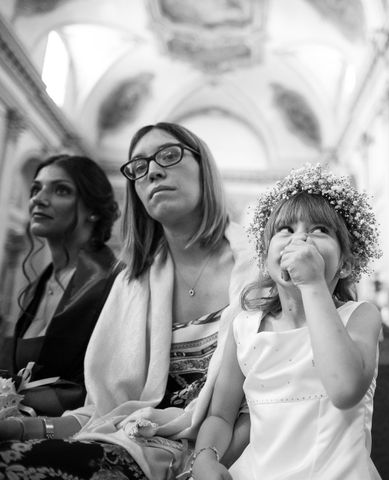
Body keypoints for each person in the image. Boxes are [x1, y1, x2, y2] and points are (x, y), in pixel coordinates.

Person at [0, 122, 257, 479]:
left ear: (204, 168)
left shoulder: (259, 268)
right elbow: (104, 412)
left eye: (169, 155)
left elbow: (277, 398)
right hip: (130, 443)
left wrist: (204, 462)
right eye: (138, 167)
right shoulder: (132, 284)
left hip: (232, 451)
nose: (152, 170)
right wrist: (23, 428)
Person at [189, 164, 383, 480]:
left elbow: (346, 389)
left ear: (346, 263)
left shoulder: (359, 317)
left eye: (320, 230)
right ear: (266, 257)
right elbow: (221, 417)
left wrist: (313, 285)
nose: (301, 238)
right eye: (286, 230)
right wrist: (206, 458)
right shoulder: (246, 328)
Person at [10, 154, 120, 416]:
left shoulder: (114, 284)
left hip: (70, 431)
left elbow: (107, 391)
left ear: (93, 210)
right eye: (36, 189)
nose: (38, 198)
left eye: (61, 190)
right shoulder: (40, 284)